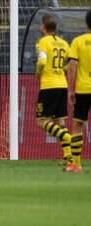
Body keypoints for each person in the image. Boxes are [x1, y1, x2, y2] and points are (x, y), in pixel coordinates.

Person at [33, 14, 72, 168]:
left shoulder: (43, 42)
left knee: (41, 121)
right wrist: (63, 69)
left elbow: (42, 61)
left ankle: (66, 137)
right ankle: (68, 156)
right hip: (62, 84)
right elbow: (72, 62)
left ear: (43, 27)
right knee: (59, 121)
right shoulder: (63, 43)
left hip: (49, 85)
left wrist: (38, 74)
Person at [66, 9, 91, 173]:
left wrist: (70, 90)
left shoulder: (78, 41)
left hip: (83, 88)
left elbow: (72, 67)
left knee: (77, 124)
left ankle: (77, 164)